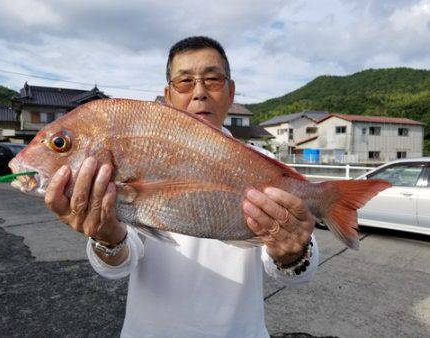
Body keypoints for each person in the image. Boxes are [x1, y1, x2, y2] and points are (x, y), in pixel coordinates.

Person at [44, 36, 318, 338]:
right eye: (185, 82)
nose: (199, 93)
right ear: (168, 95)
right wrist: (107, 238)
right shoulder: (142, 154)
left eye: (212, 80)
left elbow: (295, 274)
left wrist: (292, 252)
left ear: (231, 91)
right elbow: (119, 265)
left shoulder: (265, 164)